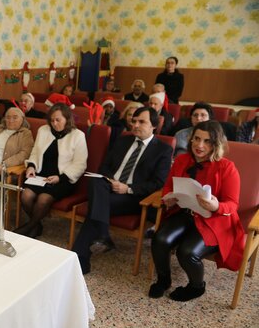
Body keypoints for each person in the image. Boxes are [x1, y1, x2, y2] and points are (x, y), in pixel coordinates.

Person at [149, 121, 245, 301]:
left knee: (187, 252)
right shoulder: (181, 160)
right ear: (191, 139)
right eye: (197, 139)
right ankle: (163, 280)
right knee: (160, 239)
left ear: (216, 144)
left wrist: (216, 206)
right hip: (184, 212)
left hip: (213, 220)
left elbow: (232, 205)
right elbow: (168, 186)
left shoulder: (227, 167)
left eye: (207, 141)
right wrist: (168, 198)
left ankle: (196, 287)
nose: (200, 145)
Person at [71, 107, 173, 274]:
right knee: (95, 182)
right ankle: (102, 235)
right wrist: (112, 181)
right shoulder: (123, 140)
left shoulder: (163, 149)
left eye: (142, 122)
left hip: (133, 197)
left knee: (97, 206)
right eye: (134, 121)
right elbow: (104, 166)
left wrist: (128, 188)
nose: (136, 125)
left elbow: (157, 183)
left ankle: (80, 257)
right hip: (109, 186)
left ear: (154, 125)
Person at [14, 104, 88, 238]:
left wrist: (60, 177)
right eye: (52, 120)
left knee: (43, 199)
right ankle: (36, 225)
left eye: (58, 120)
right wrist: (31, 166)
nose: (54, 123)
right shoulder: (43, 130)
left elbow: (80, 164)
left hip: (63, 179)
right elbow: (35, 152)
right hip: (41, 176)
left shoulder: (78, 136)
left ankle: (28, 228)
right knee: (25, 195)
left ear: (67, 119)